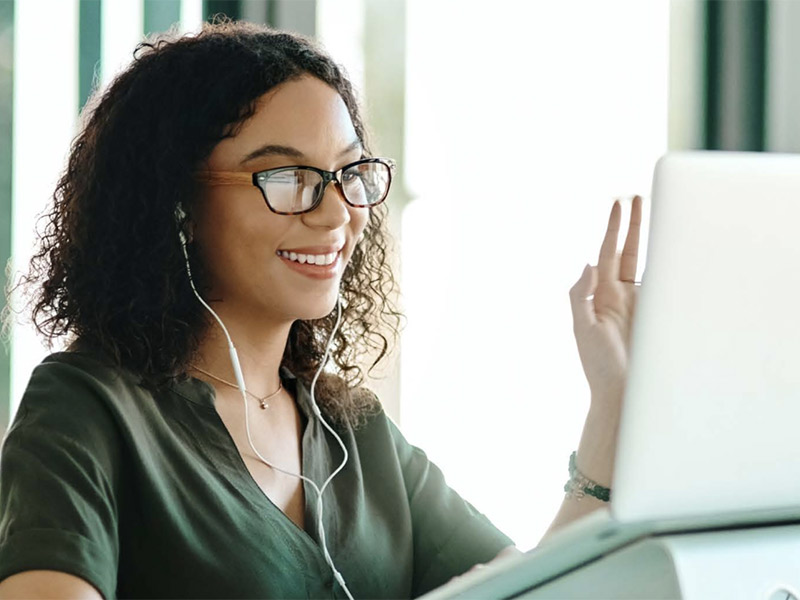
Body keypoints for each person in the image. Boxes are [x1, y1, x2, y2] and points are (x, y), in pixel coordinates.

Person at [0, 20, 642, 600]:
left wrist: (613, 401)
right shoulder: (89, 407)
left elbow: (537, 590)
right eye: (285, 178)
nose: (337, 213)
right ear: (177, 206)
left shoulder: (353, 432)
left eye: (348, 173)